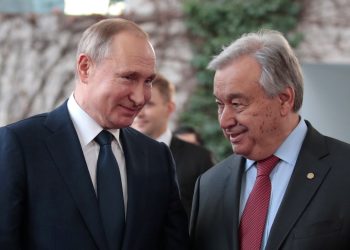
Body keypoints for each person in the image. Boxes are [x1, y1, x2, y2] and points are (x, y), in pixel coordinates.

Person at [0, 18, 190, 250]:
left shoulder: (156, 156)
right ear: (85, 68)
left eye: (148, 81)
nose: (140, 97)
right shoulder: (20, 146)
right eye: (128, 77)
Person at [190, 29, 350, 250]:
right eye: (220, 104)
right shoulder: (209, 186)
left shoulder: (344, 171)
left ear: (284, 100)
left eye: (237, 104)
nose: (224, 121)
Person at [132, 74, 214, 217]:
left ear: (169, 108)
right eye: (135, 104)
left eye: (148, 104)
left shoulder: (199, 158)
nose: (139, 113)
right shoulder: (115, 153)